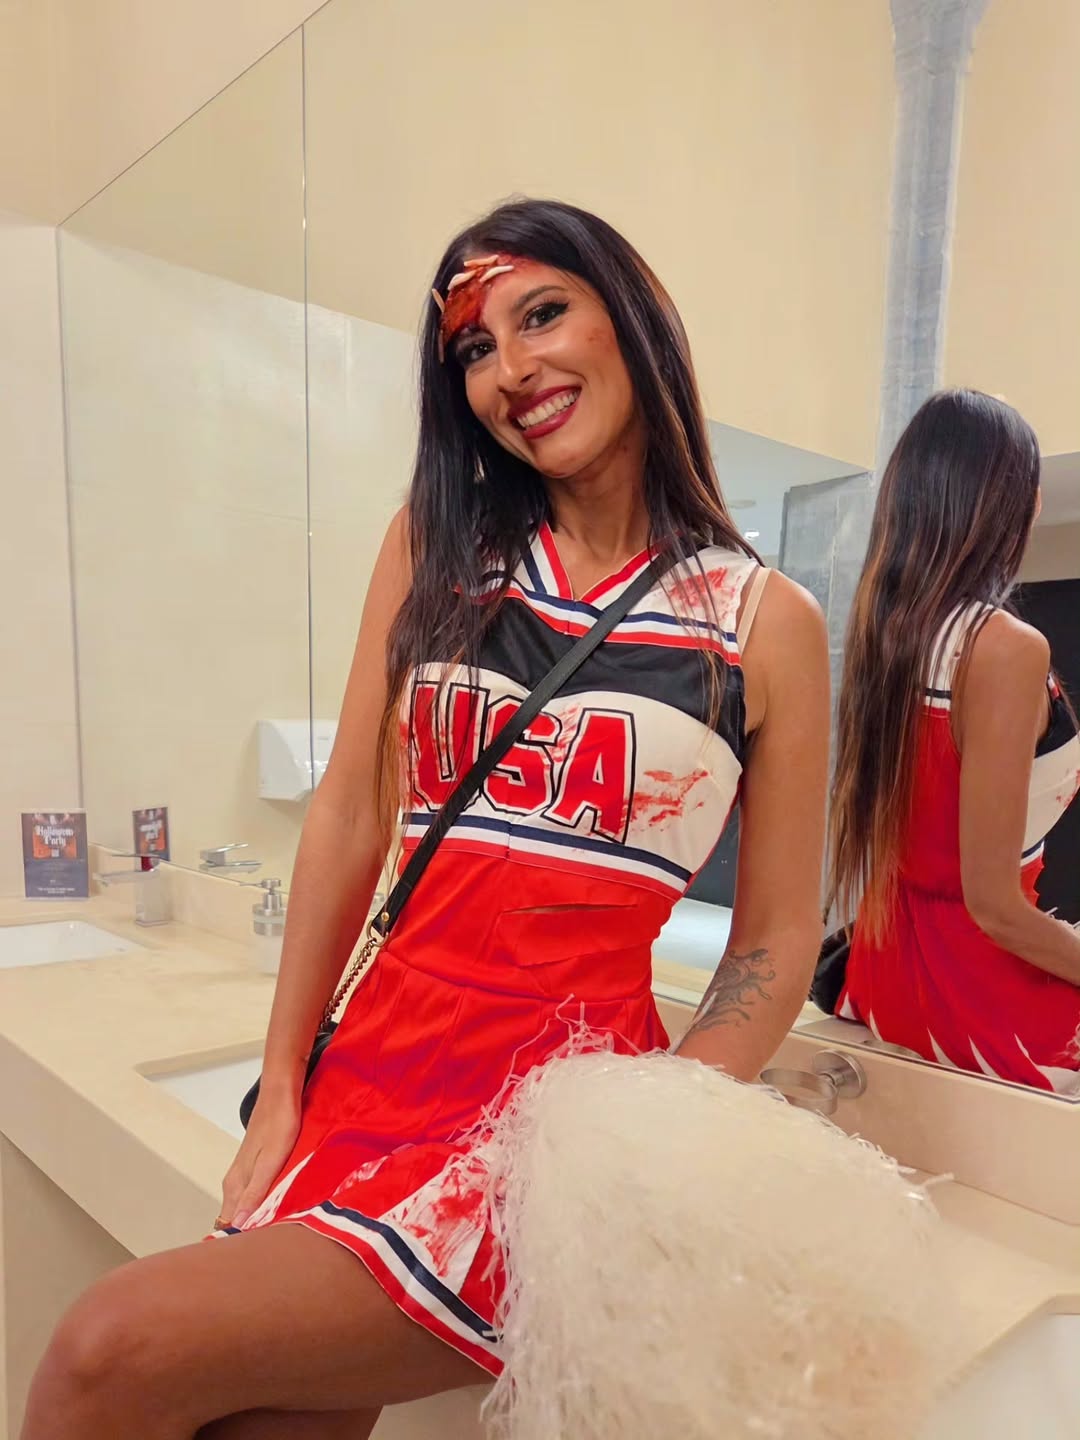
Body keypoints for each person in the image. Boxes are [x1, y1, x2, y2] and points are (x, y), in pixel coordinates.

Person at [21, 199, 829, 1439]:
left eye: (543, 314)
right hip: (365, 1073)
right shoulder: (436, 550)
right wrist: (281, 1080)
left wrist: (649, 1137)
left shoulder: (762, 621)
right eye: (474, 349)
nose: (512, 370)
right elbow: (352, 811)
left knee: (106, 1351)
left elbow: (774, 932)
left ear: (634, 317)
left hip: (540, 1129)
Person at [830, 389, 1080, 1093]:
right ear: (1016, 502)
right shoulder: (1004, 648)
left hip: (885, 978)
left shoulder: (888, 635)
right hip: (985, 1003)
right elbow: (993, 905)